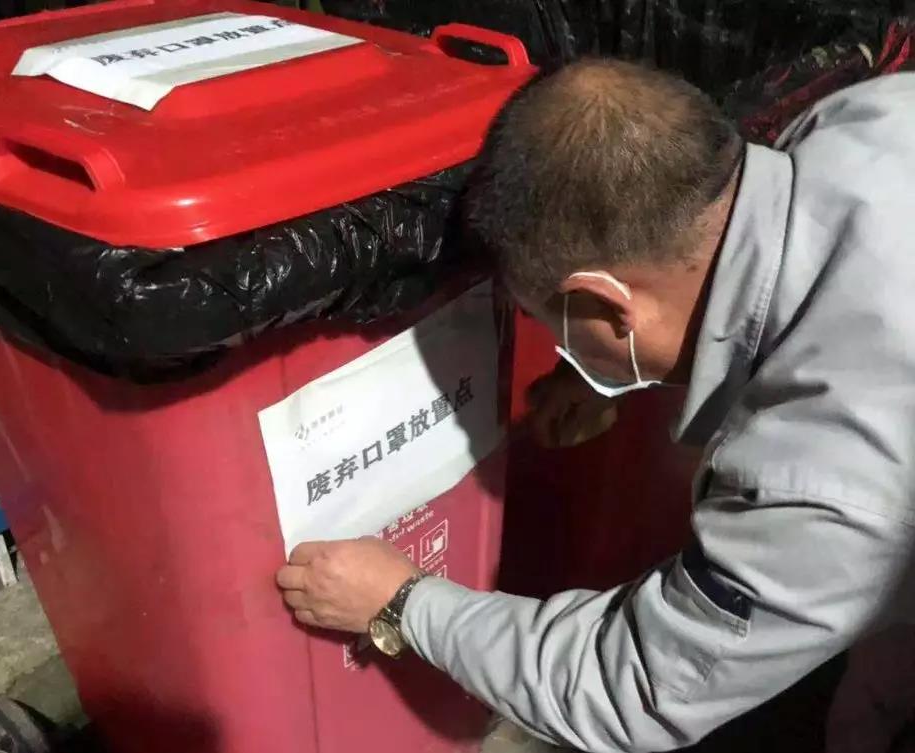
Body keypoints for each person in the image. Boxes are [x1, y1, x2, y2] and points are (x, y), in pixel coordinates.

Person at [276, 59, 915, 752]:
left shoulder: (829, 485)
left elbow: (632, 686)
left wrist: (402, 601)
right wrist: (611, 370)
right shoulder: (863, 119)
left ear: (609, 306)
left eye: (553, 327)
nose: (558, 348)